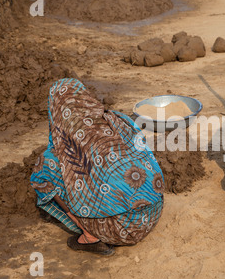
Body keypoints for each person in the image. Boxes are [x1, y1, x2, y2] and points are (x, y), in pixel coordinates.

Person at [31, 78, 165, 256]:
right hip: (152, 213)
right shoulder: (119, 120)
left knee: (44, 170)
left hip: (117, 230)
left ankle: (89, 236)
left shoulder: (60, 150)